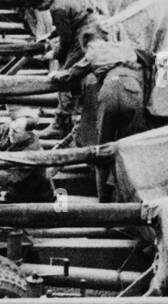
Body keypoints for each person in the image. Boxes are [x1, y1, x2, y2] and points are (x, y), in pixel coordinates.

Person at [49, 34, 146, 198]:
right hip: (135, 90)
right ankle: (126, 197)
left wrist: (54, 75)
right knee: (127, 147)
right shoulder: (124, 47)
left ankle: (104, 200)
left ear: (86, 45)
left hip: (110, 90)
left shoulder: (93, 52)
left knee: (102, 150)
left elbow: (71, 74)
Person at [28, 0, 106, 135]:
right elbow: (68, 23)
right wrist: (50, 36)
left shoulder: (56, 9)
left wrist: (54, 54)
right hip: (92, 27)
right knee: (74, 70)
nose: (41, 10)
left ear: (43, 1)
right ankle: (74, 111)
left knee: (65, 74)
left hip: (84, 33)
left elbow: (67, 41)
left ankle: (61, 122)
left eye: (39, 7)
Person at [0, 107, 56, 204]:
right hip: (15, 191)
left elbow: (8, 177)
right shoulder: (11, 129)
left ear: (28, 134)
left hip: (35, 199)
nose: (10, 134)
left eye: (16, 132)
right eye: (11, 129)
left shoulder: (32, 153)